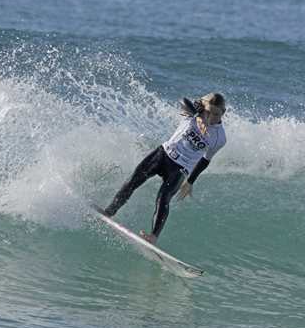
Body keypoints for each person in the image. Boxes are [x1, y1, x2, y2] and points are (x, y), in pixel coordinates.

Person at [92, 93, 227, 245]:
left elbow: (205, 160)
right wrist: (197, 116)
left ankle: (153, 236)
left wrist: (190, 181)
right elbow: (182, 100)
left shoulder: (219, 138)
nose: (210, 117)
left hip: (180, 168)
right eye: (208, 112)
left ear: (223, 112)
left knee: (163, 199)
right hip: (162, 154)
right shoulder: (195, 111)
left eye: (215, 114)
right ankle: (108, 212)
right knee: (132, 181)